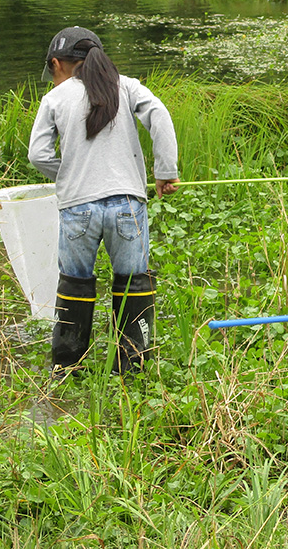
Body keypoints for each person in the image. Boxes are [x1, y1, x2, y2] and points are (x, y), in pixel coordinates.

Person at [28, 26, 180, 376]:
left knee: (75, 284)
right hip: (128, 204)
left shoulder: (55, 98)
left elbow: (37, 155)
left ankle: (68, 367)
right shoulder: (126, 86)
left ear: (57, 64)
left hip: (78, 207)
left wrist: (68, 172)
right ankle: (133, 368)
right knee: (133, 284)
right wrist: (164, 170)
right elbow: (159, 114)